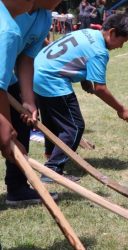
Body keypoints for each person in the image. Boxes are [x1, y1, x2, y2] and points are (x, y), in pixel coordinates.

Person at [33, 14, 128, 183]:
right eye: (122, 41)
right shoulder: (100, 51)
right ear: (112, 32)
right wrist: (120, 109)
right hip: (53, 79)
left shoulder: (88, 32)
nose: (121, 47)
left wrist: (84, 79)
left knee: (53, 123)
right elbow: (100, 89)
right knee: (74, 127)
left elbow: (77, 56)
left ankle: (51, 156)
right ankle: (52, 169)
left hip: (38, 72)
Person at [0, 0, 59, 205]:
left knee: (21, 126)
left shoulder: (44, 17)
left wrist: (28, 100)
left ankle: (17, 188)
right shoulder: (7, 27)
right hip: (1, 82)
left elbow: (26, 58)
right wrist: (4, 124)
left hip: (8, 80)